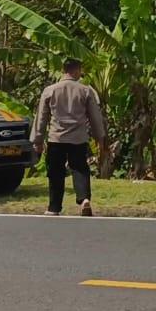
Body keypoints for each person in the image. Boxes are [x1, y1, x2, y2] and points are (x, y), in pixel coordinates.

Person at [32, 58, 107, 217]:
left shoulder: (50, 90)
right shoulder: (85, 90)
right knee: (80, 169)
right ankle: (84, 199)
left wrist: (38, 140)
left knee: (55, 172)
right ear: (77, 70)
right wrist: (100, 139)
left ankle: (54, 207)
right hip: (78, 138)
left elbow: (41, 118)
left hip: (56, 138)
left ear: (63, 70)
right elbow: (95, 118)